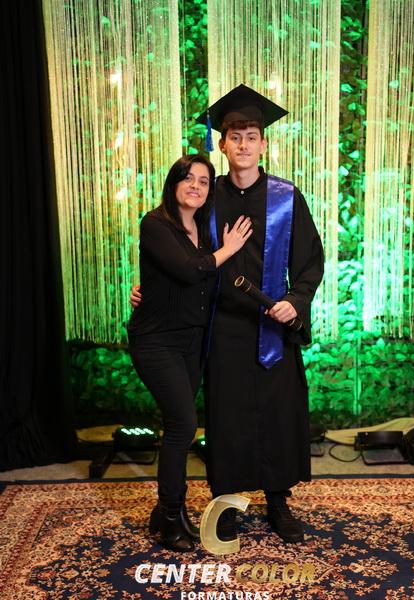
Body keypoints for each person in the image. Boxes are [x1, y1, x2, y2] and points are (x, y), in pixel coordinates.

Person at [131, 84, 324, 544]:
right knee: (228, 417)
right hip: (219, 326)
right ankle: (228, 503)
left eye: (251, 136)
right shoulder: (206, 195)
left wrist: (295, 302)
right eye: (234, 137)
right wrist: (150, 290)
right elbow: (176, 248)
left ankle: (278, 502)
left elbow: (310, 261)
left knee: (277, 413)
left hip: (270, 322)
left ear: (263, 144)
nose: (243, 144)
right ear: (222, 145)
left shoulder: (286, 196)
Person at [127, 153, 252, 552]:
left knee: (178, 425)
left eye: (203, 181)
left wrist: (146, 289)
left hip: (192, 341)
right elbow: (188, 270)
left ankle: (166, 510)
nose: (196, 186)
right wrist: (228, 249)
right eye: (188, 178)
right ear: (174, 183)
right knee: (183, 424)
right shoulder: (155, 223)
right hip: (156, 341)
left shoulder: (202, 228)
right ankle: (169, 516)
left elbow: (195, 284)